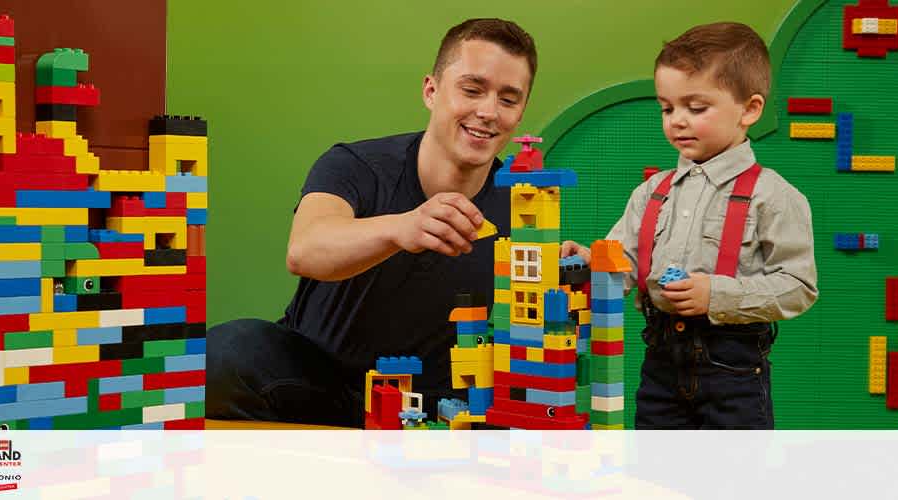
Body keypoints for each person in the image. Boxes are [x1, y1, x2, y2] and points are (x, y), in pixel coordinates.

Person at [207, 18, 588, 427]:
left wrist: (568, 271)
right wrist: (401, 227)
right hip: (320, 384)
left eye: (509, 100)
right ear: (431, 90)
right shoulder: (356, 166)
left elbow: (534, 310)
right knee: (228, 349)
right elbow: (306, 249)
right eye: (472, 90)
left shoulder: (522, 202)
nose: (488, 112)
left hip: (437, 406)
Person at [604, 22, 818, 428]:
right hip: (660, 363)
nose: (677, 121)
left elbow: (799, 286)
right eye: (667, 108)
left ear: (750, 110)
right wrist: (590, 262)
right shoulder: (651, 192)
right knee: (656, 476)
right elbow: (621, 264)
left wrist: (716, 295)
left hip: (733, 371)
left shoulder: (772, 196)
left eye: (696, 108)